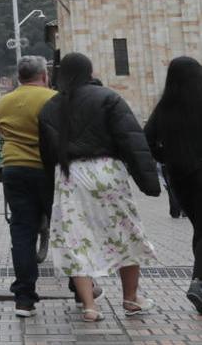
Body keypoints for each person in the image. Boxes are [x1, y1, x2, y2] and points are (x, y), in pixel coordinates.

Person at [38, 51, 160, 322]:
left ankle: (90, 307)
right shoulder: (108, 98)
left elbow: (46, 155)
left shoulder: (49, 107)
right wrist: (149, 182)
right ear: (89, 72)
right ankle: (131, 299)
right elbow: (132, 140)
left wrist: (49, 192)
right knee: (125, 231)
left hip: (69, 175)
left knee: (75, 238)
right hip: (107, 171)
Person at [0, 55, 55, 317]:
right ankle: (81, 288)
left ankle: (23, 298)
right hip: (46, 170)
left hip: (14, 169)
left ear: (19, 77)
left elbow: (2, 132)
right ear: (44, 76)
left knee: (21, 233)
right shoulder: (52, 98)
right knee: (64, 227)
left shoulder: (3, 102)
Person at [143, 55, 202, 314]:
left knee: (199, 227)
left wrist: (166, 158)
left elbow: (147, 140)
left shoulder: (164, 107)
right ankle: (198, 283)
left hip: (180, 177)